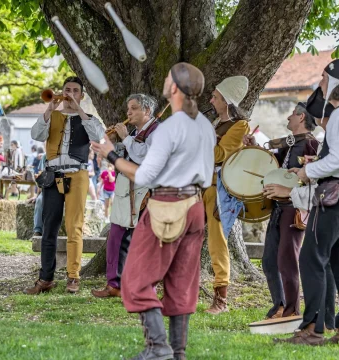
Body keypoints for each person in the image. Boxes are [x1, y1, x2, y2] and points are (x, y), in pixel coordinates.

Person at [91, 62, 214, 360]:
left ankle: (158, 347)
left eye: (167, 78)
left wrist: (112, 155)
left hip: (168, 205)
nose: (163, 80)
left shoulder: (171, 127)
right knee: (181, 281)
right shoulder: (204, 125)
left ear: (175, 87)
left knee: (134, 279)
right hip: (196, 206)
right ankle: (178, 353)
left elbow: (146, 176)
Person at [278, 59, 339, 346]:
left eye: (324, 79)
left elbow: (338, 160)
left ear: (336, 82)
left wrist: (306, 171)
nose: (320, 84)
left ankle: (312, 329)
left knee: (311, 257)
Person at [24, 76, 105, 295]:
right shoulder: (52, 116)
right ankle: (45, 278)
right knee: (49, 226)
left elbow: (98, 137)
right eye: (66, 89)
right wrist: (49, 109)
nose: (69, 94)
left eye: (75, 91)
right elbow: (36, 134)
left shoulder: (89, 118)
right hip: (52, 174)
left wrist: (78, 108)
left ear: (82, 95)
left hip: (77, 174)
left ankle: (73, 276)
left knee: (74, 226)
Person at [243, 103, 319, 320]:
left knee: (287, 260)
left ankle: (291, 311)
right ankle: (280, 305)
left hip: (295, 209)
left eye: (292, 114)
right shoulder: (290, 143)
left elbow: (314, 180)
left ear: (301, 117)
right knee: (269, 260)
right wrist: (256, 146)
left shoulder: (312, 145)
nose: (287, 117)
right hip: (279, 209)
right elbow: (272, 165)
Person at [91, 93, 159, 299]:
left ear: (147, 111)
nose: (128, 112)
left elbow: (147, 156)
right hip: (126, 190)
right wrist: (112, 148)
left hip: (145, 192)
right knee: (117, 237)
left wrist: (125, 139)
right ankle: (115, 284)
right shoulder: (136, 131)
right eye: (128, 108)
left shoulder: (158, 131)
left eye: (134, 108)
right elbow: (130, 156)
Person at [203, 76, 251, 314]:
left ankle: (221, 298)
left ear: (227, 102)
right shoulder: (212, 124)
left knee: (217, 242)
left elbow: (219, 154)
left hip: (218, 188)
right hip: (197, 186)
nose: (211, 99)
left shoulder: (240, 126)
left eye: (216, 97)